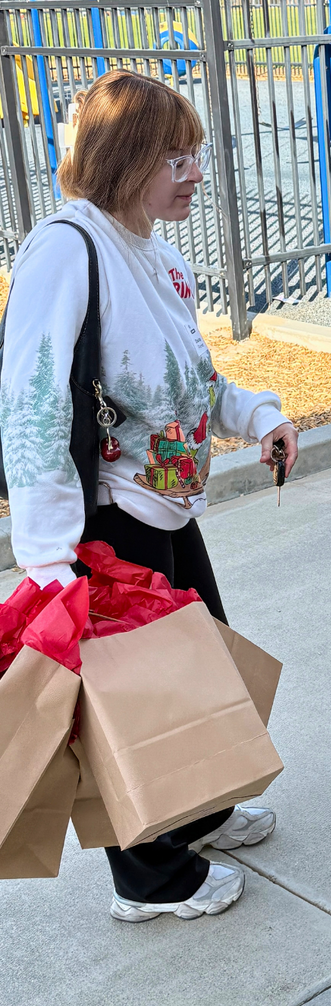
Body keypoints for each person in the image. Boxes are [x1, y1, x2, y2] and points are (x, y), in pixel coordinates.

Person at [0, 70, 298, 921]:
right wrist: (49, 556)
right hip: (102, 519)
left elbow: (194, 379)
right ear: (123, 158)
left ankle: (196, 810)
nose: (196, 171)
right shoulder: (68, 245)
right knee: (135, 697)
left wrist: (260, 414)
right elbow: (32, 401)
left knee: (195, 668)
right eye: (176, 156)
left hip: (164, 504)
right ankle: (150, 880)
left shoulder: (157, 254)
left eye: (197, 152)